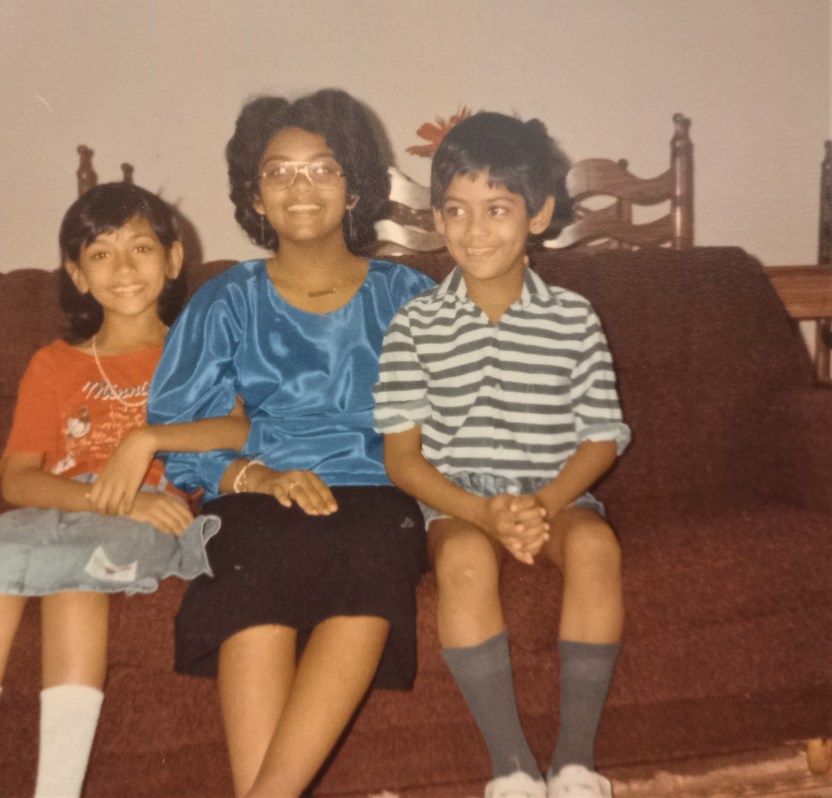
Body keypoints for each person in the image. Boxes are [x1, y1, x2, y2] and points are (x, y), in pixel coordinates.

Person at [135, 89, 435, 798]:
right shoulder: (226, 299)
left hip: (379, 487)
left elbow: (456, 413)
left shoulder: (408, 295)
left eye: (322, 169)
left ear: (355, 186)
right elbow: (182, 431)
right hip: (261, 489)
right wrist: (258, 478)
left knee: (373, 545)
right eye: (279, 172)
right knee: (252, 549)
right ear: (256, 196)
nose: (301, 188)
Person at [0, 182, 248, 798]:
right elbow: (17, 478)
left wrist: (147, 439)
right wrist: (103, 495)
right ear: (76, 274)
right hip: (64, 505)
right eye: (101, 254)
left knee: (79, 577)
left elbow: (238, 426)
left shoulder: (195, 352)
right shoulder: (54, 363)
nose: (123, 268)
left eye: (141, 247)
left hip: (149, 518)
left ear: (174, 260)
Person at [373, 112, 629, 798]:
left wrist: (543, 505)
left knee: (597, 548)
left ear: (539, 214)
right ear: (436, 217)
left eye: (497, 209)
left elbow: (602, 436)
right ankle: (513, 765)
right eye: (455, 210)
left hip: (558, 493)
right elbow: (402, 458)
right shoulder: (415, 324)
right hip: (458, 499)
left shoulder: (573, 318)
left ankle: (574, 761)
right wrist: (483, 514)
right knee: (459, 561)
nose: (473, 229)